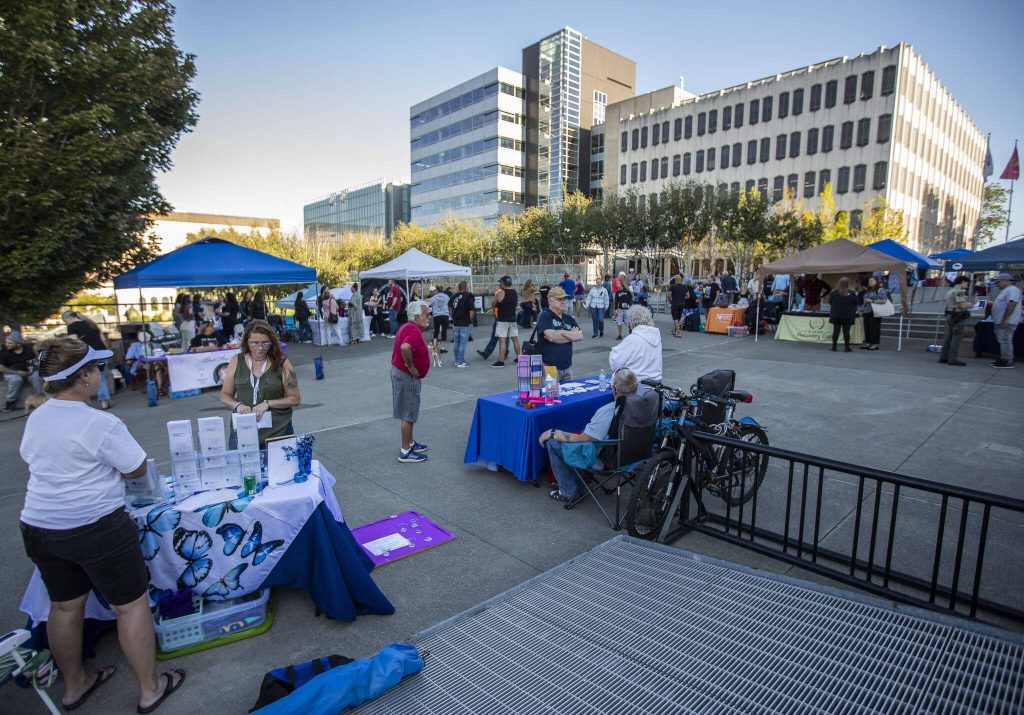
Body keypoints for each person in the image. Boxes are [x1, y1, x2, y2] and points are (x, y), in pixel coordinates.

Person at [19, 336, 185, 712]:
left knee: (64, 607)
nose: (101, 374)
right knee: (129, 606)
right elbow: (136, 467)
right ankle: (149, 688)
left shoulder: (39, 416)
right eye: (96, 368)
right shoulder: (100, 422)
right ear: (82, 378)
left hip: (39, 526)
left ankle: (74, 685)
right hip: (94, 526)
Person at [540, 367, 638, 502]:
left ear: (614, 388)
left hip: (605, 460)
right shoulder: (642, 409)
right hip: (633, 456)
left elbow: (582, 439)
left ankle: (568, 491)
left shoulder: (608, 411)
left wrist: (553, 432)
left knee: (553, 443)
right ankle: (577, 484)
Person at [220, 320, 300, 448]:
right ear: (246, 342)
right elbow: (225, 395)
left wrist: (268, 403)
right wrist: (238, 405)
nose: (260, 348)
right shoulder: (236, 361)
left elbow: (295, 399)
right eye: (254, 343)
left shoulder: (282, 363)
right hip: (243, 432)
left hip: (277, 432)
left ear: (272, 342)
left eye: (265, 343)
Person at [391, 301, 431, 462]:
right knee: (408, 413)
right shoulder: (413, 330)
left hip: (402, 374)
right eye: (425, 315)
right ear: (415, 316)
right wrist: (411, 366)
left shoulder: (409, 327)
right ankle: (405, 451)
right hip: (406, 377)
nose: (428, 317)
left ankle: (410, 442)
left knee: (410, 411)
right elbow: (405, 347)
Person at [62, 310, 111, 410]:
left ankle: (84, 400)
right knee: (100, 377)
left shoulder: (72, 326)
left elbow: (73, 342)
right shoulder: (91, 323)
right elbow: (103, 338)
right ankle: (104, 402)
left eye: (65, 321)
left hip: (88, 355)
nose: (66, 323)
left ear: (68, 318)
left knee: (84, 377)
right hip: (102, 352)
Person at [535, 286, 582, 381]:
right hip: (550, 367)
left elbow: (580, 336)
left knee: (568, 395)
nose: (563, 301)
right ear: (550, 301)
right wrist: (570, 335)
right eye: (559, 299)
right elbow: (552, 337)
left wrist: (560, 333)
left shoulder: (569, 318)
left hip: (567, 367)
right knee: (551, 395)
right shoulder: (544, 316)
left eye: (564, 299)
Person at [609, 306, 662, 389]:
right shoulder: (656, 336)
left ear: (632, 323)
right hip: (657, 382)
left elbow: (615, 363)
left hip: (637, 384)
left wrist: (613, 352)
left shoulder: (633, 338)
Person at [2, 332, 42, 411]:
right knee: (16, 379)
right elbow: (1, 368)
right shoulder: (4, 351)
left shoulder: (28, 349)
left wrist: (34, 366)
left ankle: (40, 398)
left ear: (18, 344)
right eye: (6, 342)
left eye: (10, 343)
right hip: (12, 372)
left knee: (37, 376)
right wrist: (17, 373)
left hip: (29, 372)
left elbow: (38, 360)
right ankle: (10, 402)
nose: (7, 344)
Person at [938, 275, 972, 366]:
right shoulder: (959, 291)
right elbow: (962, 306)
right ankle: (953, 358)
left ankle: (943, 356)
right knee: (956, 337)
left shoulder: (951, 291)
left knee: (948, 337)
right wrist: (972, 303)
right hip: (958, 315)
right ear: (962, 282)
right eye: (967, 283)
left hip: (950, 314)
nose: (967, 285)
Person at [989, 273, 1020, 369]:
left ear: (1006, 281)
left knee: (1006, 339)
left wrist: (1006, 319)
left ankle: (1007, 360)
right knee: (1003, 340)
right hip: (1001, 320)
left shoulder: (1012, 290)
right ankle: (1004, 358)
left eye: (999, 282)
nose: (997, 284)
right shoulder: (1006, 290)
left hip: (1007, 321)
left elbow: (1012, 303)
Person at [124, 330, 168, 395]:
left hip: (156, 362)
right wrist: (130, 361)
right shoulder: (134, 346)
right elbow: (128, 358)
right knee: (157, 366)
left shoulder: (155, 345)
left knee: (157, 365)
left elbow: (162, 354)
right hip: (142, 363)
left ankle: (159, 388)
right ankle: (160, 387)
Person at [491, 276, 521, 367]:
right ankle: (519, 358)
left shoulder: (500, 292)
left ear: (504, 283)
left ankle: (501, 361)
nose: (500, 284)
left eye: (500, 282)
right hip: (512, 319)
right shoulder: (515, 292)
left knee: (502, 341)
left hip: (502, 320)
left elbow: (494, 303)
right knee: (515, 339)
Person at [449, 281, 476, 368]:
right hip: (465, 323)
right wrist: (470, 320)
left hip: (456, 323)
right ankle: (460, 361)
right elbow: (471, 310)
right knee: (462, 343)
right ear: (466, 287)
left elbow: (449, 307)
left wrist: (452, 316)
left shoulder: (453, 296)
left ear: (459, 288)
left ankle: (457, 360)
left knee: (457, 343)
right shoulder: (468, 296)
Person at [828, 277, 858, 352]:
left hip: (836, 314)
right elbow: (856, 302)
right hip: (848, 315)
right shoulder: (852, 293)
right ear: (848, 284)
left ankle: (834, 347)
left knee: (836, 331)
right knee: (846, 331)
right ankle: (846, 347)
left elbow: (830, 302)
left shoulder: (834, 292)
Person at [859, 276, 890, 351]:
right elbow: (865, 301)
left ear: (876, 282)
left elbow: (884, 301)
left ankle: (875, 344)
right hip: (866, 311)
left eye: (872, 281)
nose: (870, 282)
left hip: (875, 311)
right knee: (867, 328)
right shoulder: (868, 290)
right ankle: (868, 343)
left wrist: (871, 301)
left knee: (874, 328)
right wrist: (862, 310)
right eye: (869, 281)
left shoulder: (880, 290)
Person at [425, 285, 449, 353]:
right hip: (445, 315)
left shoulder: (434, 297)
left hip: (437, 315)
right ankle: (443, 348)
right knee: (444, 331)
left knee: (436, 331)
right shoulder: (446, 296)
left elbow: (427, 303)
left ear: (436, 291)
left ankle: (435, 347)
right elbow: (449, 304)